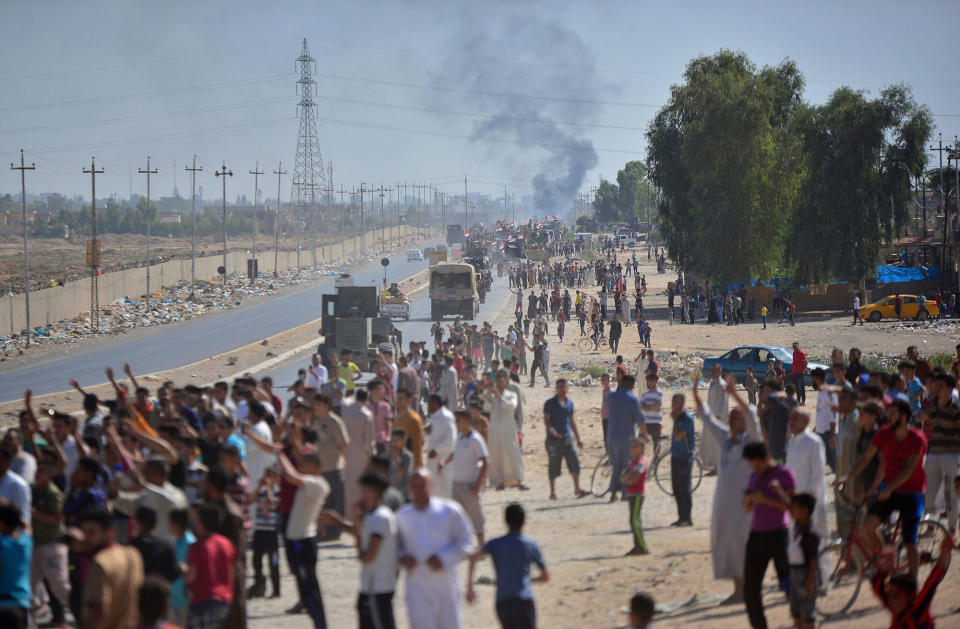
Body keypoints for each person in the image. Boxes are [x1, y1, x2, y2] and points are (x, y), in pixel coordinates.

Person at [839, 398, 926, 579]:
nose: (888, 416)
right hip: (891, 490)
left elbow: (909, 469)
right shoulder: (884, 434)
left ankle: (912, 581)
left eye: (892, 413)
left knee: (910, 541)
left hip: (912, 491)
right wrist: (850, 475)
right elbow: (867, 458)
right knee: (868, 525)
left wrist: (887, 487)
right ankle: (887, 557)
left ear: (903, 417)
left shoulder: (917, 438)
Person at [694, 376, 762, 605]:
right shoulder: (726, 439)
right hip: (723, 502)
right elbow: (708, 419)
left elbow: (753, 418)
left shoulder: (750, 441)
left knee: (741, 544)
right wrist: (695, 392)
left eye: (737, 417)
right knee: (726, 543)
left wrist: (734, 394)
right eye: (731, 417)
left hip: (744, 504)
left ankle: (747, 590)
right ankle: (738, 589)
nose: (734, 419)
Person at [396, 469, 475, 629]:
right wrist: (403, 557)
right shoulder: (402, 516)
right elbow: (393, 547)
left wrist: (444, 558)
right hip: (417, 585)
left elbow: (467, 541)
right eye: (415, 486)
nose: (418, 490)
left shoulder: (449, 511)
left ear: (431, 485)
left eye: (422, 485)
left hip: (445, 584)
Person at [321, 472, 399, 629]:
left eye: (364, 490)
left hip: (378, 587)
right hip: (371, 587)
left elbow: (367, 556)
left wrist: (357, 541)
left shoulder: (380, 518)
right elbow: (362, 533)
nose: (361, 494)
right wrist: (342, 521)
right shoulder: (374, 516)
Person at [466, 503, 549, 629]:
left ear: (505, 521)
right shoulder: (530, 545)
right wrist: (526, 579)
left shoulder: (495, 543)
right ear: (524, 521)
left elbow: (473, 557)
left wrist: (470, 587)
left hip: (502, 601)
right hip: (523, 600)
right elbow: (545, 577)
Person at [742, 442, 796, 629]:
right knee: (750, 590)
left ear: (766, 458)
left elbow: (792, 507)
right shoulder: (754, 476)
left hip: (778, 535)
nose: (756, 469)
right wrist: (748, 500)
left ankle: (803, 623)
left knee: (788, 585)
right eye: (752, 466)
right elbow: (747, 508)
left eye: (757, 465)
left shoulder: (784, 474)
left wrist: (765, 499)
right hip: (757, 536)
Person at [278, 450, 331, 628]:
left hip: (304, 541)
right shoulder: (309, 483)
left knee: (310, 588)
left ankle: (320, 624)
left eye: (304, 463)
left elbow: (290, 476)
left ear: (314, 466)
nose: (299, 466)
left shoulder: (316, 483)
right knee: (305, 587)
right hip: (297, 539)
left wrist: (281, 455)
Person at [81, 507, 145, 629]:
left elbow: (99, 610)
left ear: (109, 533)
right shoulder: (133, 554)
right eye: (84, 533)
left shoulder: (100, 562)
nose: (86, 538)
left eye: (91, 533)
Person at [872, 534, 952, 629]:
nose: (891, 600)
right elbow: (878, 588)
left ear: (910, 596)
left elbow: (931, 583)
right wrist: (885, 569)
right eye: (890, 595)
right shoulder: (897, 609)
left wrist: (944, 555)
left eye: (897, 595)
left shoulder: (918, 612)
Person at [185, 505, 235, 629]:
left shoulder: (197, 546)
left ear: (202, 523)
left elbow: (191, 576)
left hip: (202, 600)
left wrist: (183, 572)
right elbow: (231, 574)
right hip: (224, 600)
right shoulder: (226, 543)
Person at [785, 410, 828, 547]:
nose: (791, 422)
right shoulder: (791, 443)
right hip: (795, 504)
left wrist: (805, 505)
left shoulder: (814, 442)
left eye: (795, 419)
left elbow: (817, 476)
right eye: (791, 418)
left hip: (810, 505)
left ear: (806, 422)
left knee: (816, 547)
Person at [543, 379, 588, 500]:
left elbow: (572, 422)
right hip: (553, 440)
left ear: (567, 388)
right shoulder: (550, 403)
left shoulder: (569, 404)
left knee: (574, 463)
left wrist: (578, 438)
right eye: (560, 387)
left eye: (564, 387)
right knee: (553, 465)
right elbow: (546, 420)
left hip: (568, 438)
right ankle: (552, 492)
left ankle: (577, 489)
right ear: (556, 389)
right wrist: (551, 429)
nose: (563, 389)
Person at [605, 375, 647, 502]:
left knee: (616, 465)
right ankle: (625, 493)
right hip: (626, 437)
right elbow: (640, 420)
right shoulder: (633, 400)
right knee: (626, 466)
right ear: (632, 385)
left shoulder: (611, 396)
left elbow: (608, 410)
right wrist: (645, 434)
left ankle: (613, 493)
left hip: (611, 436)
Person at [451, 411, 489, 545]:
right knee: (458, 517)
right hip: (456, 484)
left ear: (466, 421)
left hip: (470, 485)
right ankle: (463, 546)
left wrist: (478, 485)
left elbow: (485, 461)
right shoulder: (458, 437)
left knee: (476, 518)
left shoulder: (475, 439)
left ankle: (482, 547)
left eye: (458, 420)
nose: (455, 423)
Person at [483, 370, 525, 491]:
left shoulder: (511, 395)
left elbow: (511, 406)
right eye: (498, 380)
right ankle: (500, 482)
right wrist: (491, 398)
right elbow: (486, 407)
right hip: (495, 431)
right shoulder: (491, 395)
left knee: (513, 454)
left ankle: (518, 480)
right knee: (497, 456)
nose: (500, 382)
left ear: (506, 382)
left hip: (508, 431)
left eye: (502, 380)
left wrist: (499, 397)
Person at [787, 493, 820, 629]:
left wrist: (809, 581)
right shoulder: (798, 526)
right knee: (796, 611)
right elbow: (788, 507)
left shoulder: (810, 533)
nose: (792, 511)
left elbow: (813, 560)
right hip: (794, 575)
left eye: (795, 509)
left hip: (805, 575)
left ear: (805, 510)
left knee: (808, 613)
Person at [0, 502, 31, 625]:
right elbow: (27, 527)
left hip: (4, 603)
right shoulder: (26, 542)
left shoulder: (3, 545)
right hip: (21, 603)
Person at [669, 392, 695, 526]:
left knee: (684, 488)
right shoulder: (678, 418)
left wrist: (674, 420)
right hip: (675, 456)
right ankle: (681, 517)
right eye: (673, 402)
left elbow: (679, 436)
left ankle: (687, 518)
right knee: (676, 487)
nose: (673, 405)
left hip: (685, 456)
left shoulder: (686, 419)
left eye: (676, 402)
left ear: (682, 404)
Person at [620, 437, 649, 555]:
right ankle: (637, 546)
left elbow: (633, 478)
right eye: (632, 446)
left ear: (642, 448)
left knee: (634, 521)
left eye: (636, 447)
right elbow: (624, 477)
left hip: (637, 494)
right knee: (635, 520)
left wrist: (627, 478)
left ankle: (642, 547)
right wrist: (627, 478)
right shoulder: (632, 462)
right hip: (632, 493)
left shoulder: (641, 462)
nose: (633, 449)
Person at [424, 395, 456, 499]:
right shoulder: (436, 416)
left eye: (429, 403)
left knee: (445, 486)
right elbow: (436, 434)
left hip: (443, 457)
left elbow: (451, 438)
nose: (427, 405)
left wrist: (436, 450)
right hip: (433, 458)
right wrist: (428, 431)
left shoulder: (446, 416)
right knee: (434, 486)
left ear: (434, 403)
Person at [701, 364, 727, 473]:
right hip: (712, 416)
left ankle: (718, 467)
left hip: (718, 418)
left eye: (714, 371)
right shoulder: (713, 383)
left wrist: (717, 417)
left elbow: (722, 402)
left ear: (719, 372)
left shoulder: (721, 384)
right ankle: (714, 465)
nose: (711, 372)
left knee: (717, 443)